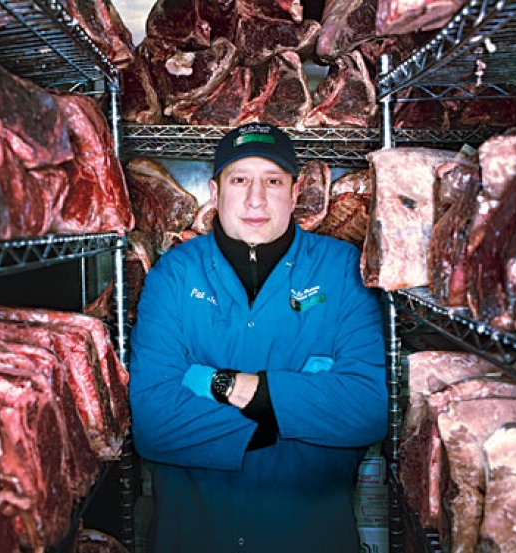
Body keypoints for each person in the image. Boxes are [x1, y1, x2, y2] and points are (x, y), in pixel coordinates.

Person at [128, 122, 388, 553]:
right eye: (239, 180)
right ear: (215, 191)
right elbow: (154, 424)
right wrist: (296, 406)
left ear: (295, 190)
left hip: (311, 538)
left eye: (272, 181)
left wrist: (211, 382)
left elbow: (366, 409)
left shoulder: (342, 270)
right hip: (194, 538)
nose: (255, 199)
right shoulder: (174, 274)